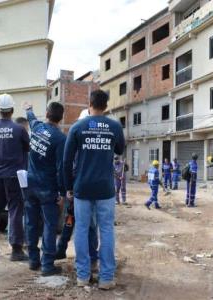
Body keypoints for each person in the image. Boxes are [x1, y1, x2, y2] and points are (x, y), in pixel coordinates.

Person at [63, 90, 125, 290]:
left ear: (89, 103)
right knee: (106, 230)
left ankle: (83, 275)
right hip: (105, 189)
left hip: (82, 187)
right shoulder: (114, 126)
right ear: (106, 106)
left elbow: (66, 161)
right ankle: (106, 278)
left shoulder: (77, 127)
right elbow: (120, 149)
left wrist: (68, 187)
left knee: (81, 229)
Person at [0, 94, 29, 261]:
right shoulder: (19, 129)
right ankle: (16, 250)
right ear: (12, 109)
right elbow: (28, 147)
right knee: (15, 210)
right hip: (14, 175)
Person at [24, 102, 66, 276]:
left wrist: (28, 109)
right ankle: (47, 265)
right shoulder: (60, 138)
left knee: (31, 223)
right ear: (61, 117)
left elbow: (31, 118)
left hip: (30, 184)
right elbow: (61, 168)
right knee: (49, 225)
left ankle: (33, 260)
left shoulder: (37, 128)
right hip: (47, 188)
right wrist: (63, 193)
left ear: (47, 113)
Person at [56, 109, 99, 270]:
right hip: (90, 190)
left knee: (75, 222)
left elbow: (67, 166)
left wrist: (68, 189)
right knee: (86, 224)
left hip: (78, 189)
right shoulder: (97, 144)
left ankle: (78, 256)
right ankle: (91, 258)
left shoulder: (76, 140)